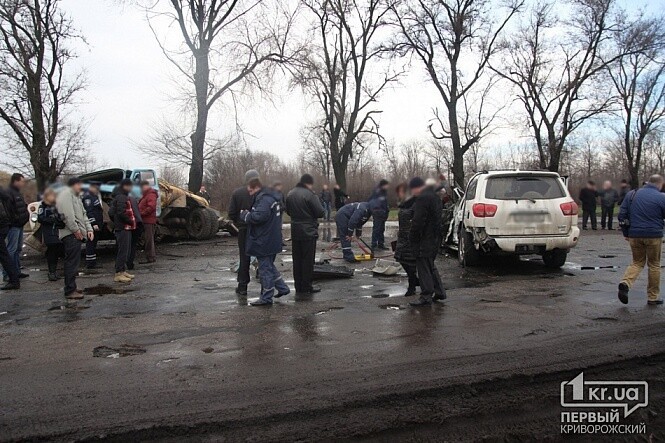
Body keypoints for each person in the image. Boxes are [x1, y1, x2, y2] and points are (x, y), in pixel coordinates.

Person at [617, 174, 665, 306]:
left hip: (634, 235)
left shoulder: (632, 194)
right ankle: (652, 297)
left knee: (637, 262)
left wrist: (626, 233)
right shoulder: (661, 197)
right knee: (654, 265)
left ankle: (625, 283)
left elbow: (622, 215)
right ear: (659, 184)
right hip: (654, 235)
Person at [241, 177, 290, 306]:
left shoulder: (264, 199)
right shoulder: (273, 198)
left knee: (265, 269)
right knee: (269, 266)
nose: (250, 193)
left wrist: (246, 216)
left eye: (251, 191)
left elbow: (259, 217)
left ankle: (267, 297)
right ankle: (283, 288)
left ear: (256, 188)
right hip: (272, 238)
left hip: (264, 239)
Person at [408, 177, 446, 307]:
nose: (412, 192)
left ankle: (426, 296)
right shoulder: (435, 197)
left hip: (424, 238)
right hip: (434, 237)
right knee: (430, 265)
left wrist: (412, 237)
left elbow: (418, 221)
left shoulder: (423, 199)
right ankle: (439, 291)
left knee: (423, 266)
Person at [286, 174, 325, 295]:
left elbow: (288, 211)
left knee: (297, 260)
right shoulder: (310, 194)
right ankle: (307, 286)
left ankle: (298, 286)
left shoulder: (290, 194)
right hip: (308, 231)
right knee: (307, 260)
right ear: (309, 183)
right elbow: (320, 212)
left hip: (295, 230)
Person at [56, 177, 94, 299]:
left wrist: (89, 229)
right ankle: (69, 290)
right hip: (70, 234)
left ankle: (72, 286)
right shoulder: (66, 195)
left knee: (74, 262)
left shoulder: (76, 196)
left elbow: (83, 213)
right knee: (71, 262)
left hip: (78, 233)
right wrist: (76, 230)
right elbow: (68, 215)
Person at [228, 170, 258, 296]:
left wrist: (240, 222)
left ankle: (242, 286)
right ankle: (266, 287)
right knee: (263, 257)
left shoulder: (237, 193)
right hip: (258, 229)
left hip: (244, 230)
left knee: (244, 258)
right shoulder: (261, 193)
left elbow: (231, 213)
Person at [109, 179, 137, 284]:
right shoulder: (121, 197)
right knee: (123, 251)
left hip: (124, 228)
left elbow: (111, 212)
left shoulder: (120, 196)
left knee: (125, 250)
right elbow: (120, 212)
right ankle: (118, 274)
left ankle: (122, 270)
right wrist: (129, 221)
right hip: (123, 228)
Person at [3, 173, 29, 282]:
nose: (23, 184)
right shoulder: (8, 193)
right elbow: (8, 210)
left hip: (20, 224)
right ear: (16, 181)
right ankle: (7, 274)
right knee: (11, 250)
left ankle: (16, 271)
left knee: (18, 249)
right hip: (14, 225)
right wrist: (16, 219)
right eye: (22, 181)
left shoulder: (17, 192)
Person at [394, 183, 419, 297]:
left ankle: (412, 285)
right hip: (402, 236)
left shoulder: (416, 203)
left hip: (411, 236)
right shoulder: (404, 204)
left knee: (411, 262)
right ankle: (414, 280)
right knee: (401, 259)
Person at [38, 188, 64, 281]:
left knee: (57, 251)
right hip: (49, 231)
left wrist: (60, 220)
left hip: (57, 231)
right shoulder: (43, 206)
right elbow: (40, 218)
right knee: (52, 251)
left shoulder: (57, 205)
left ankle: (54, 271)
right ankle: (51, 272)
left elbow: (62, 216)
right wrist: (51, 220)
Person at [0, 187, 19, 290]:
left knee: (4, 255)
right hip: (4, 225)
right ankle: (14, 278)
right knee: (4, 255)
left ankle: (14, 280)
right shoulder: (4, 193)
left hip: (2, 225)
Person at [82, 183, 103, 269]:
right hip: (92, 225)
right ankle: (90, 263)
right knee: (91, 243)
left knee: (93, 243)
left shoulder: (94, 196)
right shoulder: (88, 197)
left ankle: (92, 262)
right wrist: (93, 223)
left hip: (96, 224)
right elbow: (89, 212)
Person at [138, 181, 158, 263]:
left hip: (148, 220)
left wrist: (141, 213)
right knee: (148, 239)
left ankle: (150, 257)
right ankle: (150, 256)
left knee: (149, 239)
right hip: (146, 220)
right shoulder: (146, 195)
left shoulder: (150, 195)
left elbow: (151, 207)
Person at [368, 179, 390, 250]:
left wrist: (386, 211)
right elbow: (371, 202)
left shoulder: (384, 192)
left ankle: (381, 244)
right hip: (378, 213)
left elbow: (385, 202)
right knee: (376, 229)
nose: (388, 187)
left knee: (382, 229)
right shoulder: (377, 192)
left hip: (383, 213)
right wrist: (376, 211)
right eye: (387, 185)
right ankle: (373, 245)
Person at [127, 190, 143, 271]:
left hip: (132, 224)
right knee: (132, 245)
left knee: (128, 245)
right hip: (137, 223)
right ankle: (130, 263)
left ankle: (127, 263)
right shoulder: (133, 199)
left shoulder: (125, 199)